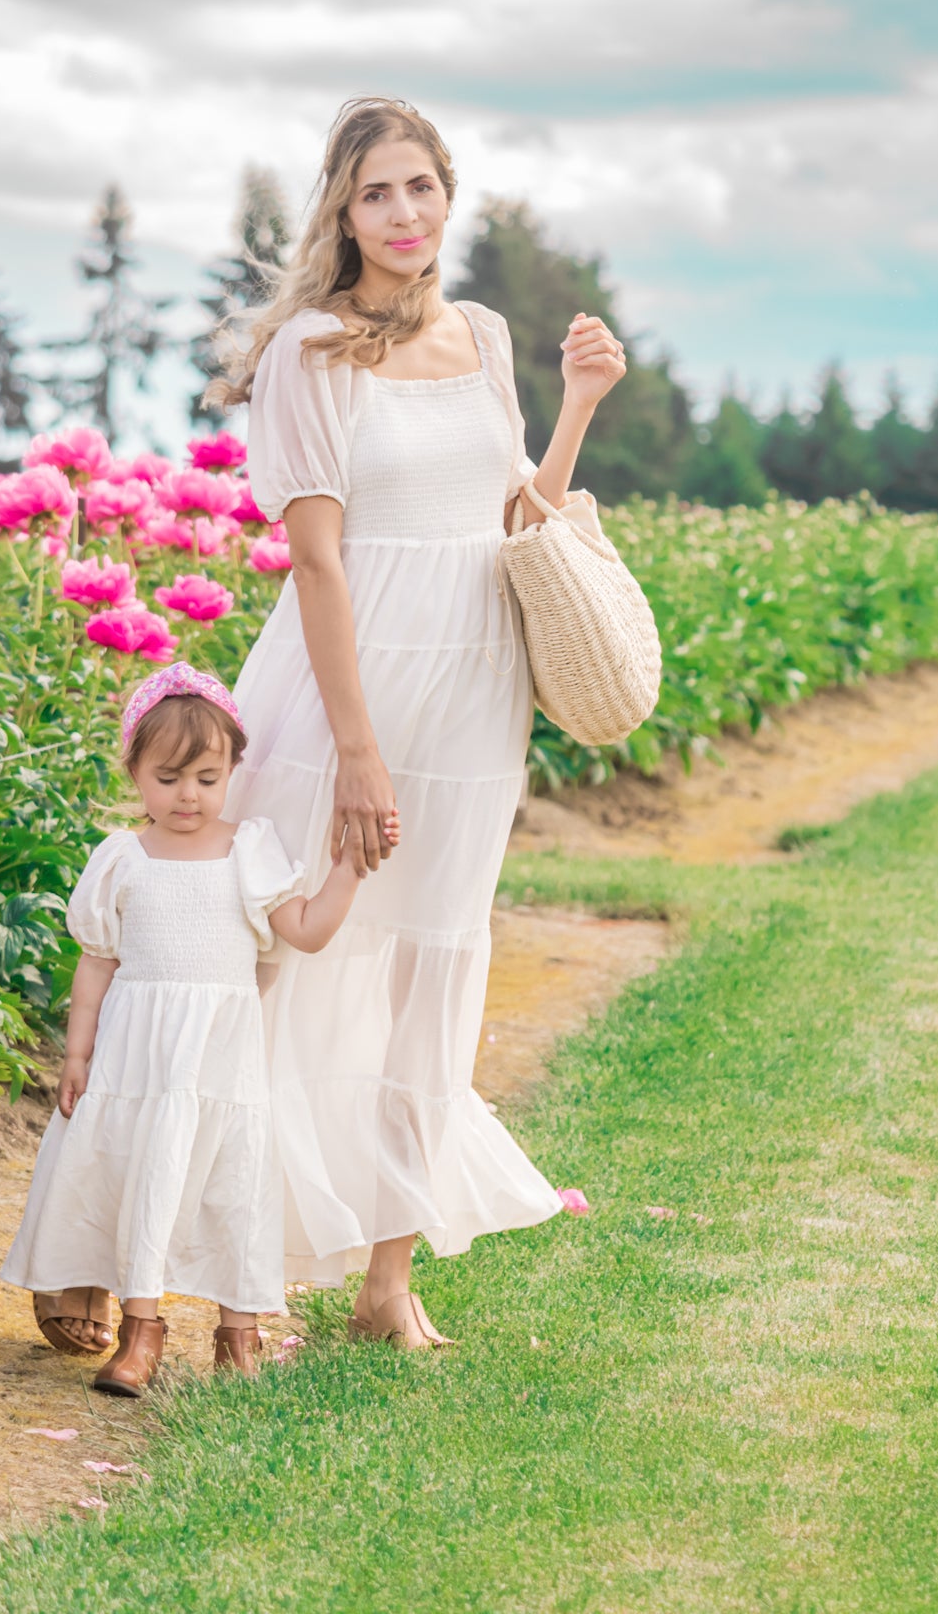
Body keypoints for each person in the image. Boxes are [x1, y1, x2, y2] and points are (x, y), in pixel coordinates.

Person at [215, 95, 628, 1349]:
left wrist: (577, 407)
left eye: (421, 188)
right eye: (376, 193)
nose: (403, 215)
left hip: (476, 682)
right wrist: (355, 749)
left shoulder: (488, 337)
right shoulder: (311, 352)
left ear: (450, 196)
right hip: (347, 677)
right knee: (262, 948)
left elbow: (516, 519)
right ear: (342, 212)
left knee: (430, 956)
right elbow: (319, 564)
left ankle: (387, 1280)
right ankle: (178, 1248)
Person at [0, 663, 390, 1389]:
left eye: (208, 778)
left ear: (232, 771)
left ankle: (236, 1334)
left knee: (230, 1186)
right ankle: (140, 1328)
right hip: (137, 1059)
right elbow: (96, 964)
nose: (188, 796)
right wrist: (77, 1053)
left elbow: (303, 931)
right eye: (169, 777)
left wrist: (349, 867)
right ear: (135, 770)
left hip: (220, 1061)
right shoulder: (122, 857)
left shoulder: (249, 851)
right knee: (143, 1177)